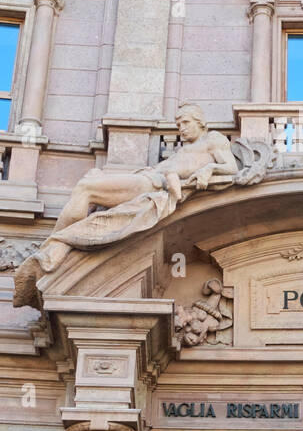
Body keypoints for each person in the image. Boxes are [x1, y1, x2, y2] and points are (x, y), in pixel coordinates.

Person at [14, 103, 237, 306]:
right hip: (148, 176)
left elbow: (232, 168)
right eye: (179, 125)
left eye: (186, 122)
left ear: (200, 122)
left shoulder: (213, 139)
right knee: (91, 178)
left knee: (86, 188)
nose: (182, 129)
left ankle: (55, 248)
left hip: (151, 184)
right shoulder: (185, 148)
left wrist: (209, 169)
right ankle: (61, 245)